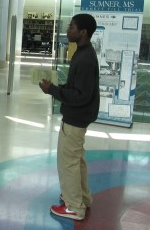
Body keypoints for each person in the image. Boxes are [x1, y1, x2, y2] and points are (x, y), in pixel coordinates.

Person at [39, 13, 100, 221]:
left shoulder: (85, 59)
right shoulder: (82, 53)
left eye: (72, 27)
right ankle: (83, 197)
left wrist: (53, 91)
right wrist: (56, 88)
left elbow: (81, 95)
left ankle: (75, 206)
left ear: (83, 32)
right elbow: (77, 88)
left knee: (68, 162)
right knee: (77, 159)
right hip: (79, 116)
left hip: (76, 118)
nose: (68, 30)